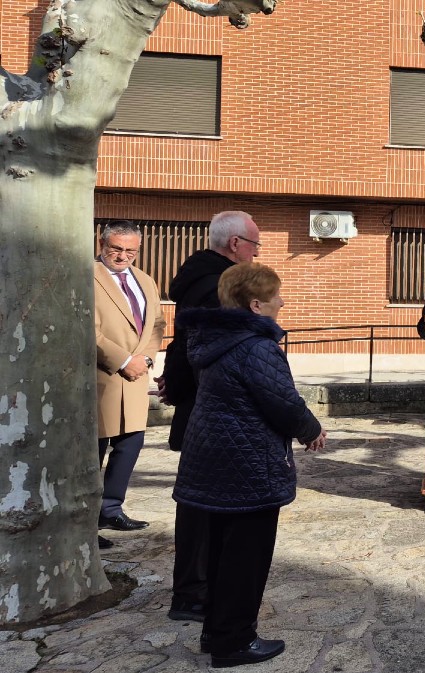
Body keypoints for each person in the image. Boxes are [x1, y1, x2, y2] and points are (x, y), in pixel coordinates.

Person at [173, 263, 326, 668]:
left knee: (221, 551)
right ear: (256, 305)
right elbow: (282, 402)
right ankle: (234, 641)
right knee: (246, 555)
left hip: (212, 458)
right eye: (276, 296)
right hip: (247, 463)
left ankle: (216, 631)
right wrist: (311, 429)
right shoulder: (257, 347)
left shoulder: (213, 339)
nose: (282, 302)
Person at [158, 211, 260, 623]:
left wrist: (175, 380)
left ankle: (196, 590)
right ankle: (194, 593)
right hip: (216, 409)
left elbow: (185, 342)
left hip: (201, 404)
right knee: (203, 504)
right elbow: (218, 352)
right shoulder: (221, 284)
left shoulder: (198, 277)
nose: (255, 254)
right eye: (254, 245)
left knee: (201, 499)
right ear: (235, 244)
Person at [93, 221, 166, 550]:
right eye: (117, 248)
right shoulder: (85, 276)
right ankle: (85, 522)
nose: (123, 256)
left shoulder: (146, 280)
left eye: (131, 251)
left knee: (129, 445)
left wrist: (146, 359)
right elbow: (85, 328)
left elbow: (157, 324)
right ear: (102, 243)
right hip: (101, 377)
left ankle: (110, 510)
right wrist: (123, 360)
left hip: (136, 377)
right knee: (92, 453)